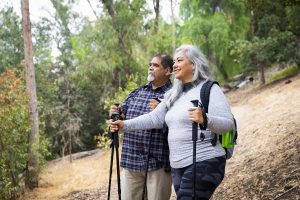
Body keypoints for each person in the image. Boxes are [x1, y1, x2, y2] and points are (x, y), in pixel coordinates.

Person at [110, 44, 234, 200]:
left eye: (179, 60)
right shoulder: (173, 94)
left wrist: (206, 119)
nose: (174, 65)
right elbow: (154, 118)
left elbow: (227, 124)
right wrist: (124, 125)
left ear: (194, 64)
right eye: (174, 61)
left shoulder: (209, 88)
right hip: (178, 166)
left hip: (205, 160)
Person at [109, 54, 173, 200]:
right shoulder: (137, 92)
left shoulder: (174, 95)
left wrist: (165, 111)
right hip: (130, 161)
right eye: (150, 64)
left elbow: (180, 126)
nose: (151, 67)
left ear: (167, 71)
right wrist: (115, 114)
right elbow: (121, 116)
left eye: (156, 65)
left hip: (157, 163)